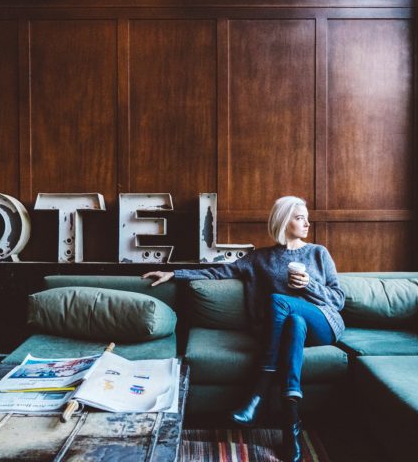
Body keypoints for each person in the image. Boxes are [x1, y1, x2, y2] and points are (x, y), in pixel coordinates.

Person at [143, 196, 346, 462]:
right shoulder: (260, 258)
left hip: (324, 323)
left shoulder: (318, 253)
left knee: (281, 303)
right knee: (294, 322)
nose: (307, 222)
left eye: (306, 217)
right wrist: (174, 274)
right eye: (299, 217)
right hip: (290, 332)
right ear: (284, 221)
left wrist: (309, 285)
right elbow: (217, 272)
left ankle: (258, 392)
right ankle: (290, 427)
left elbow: (338, 299)